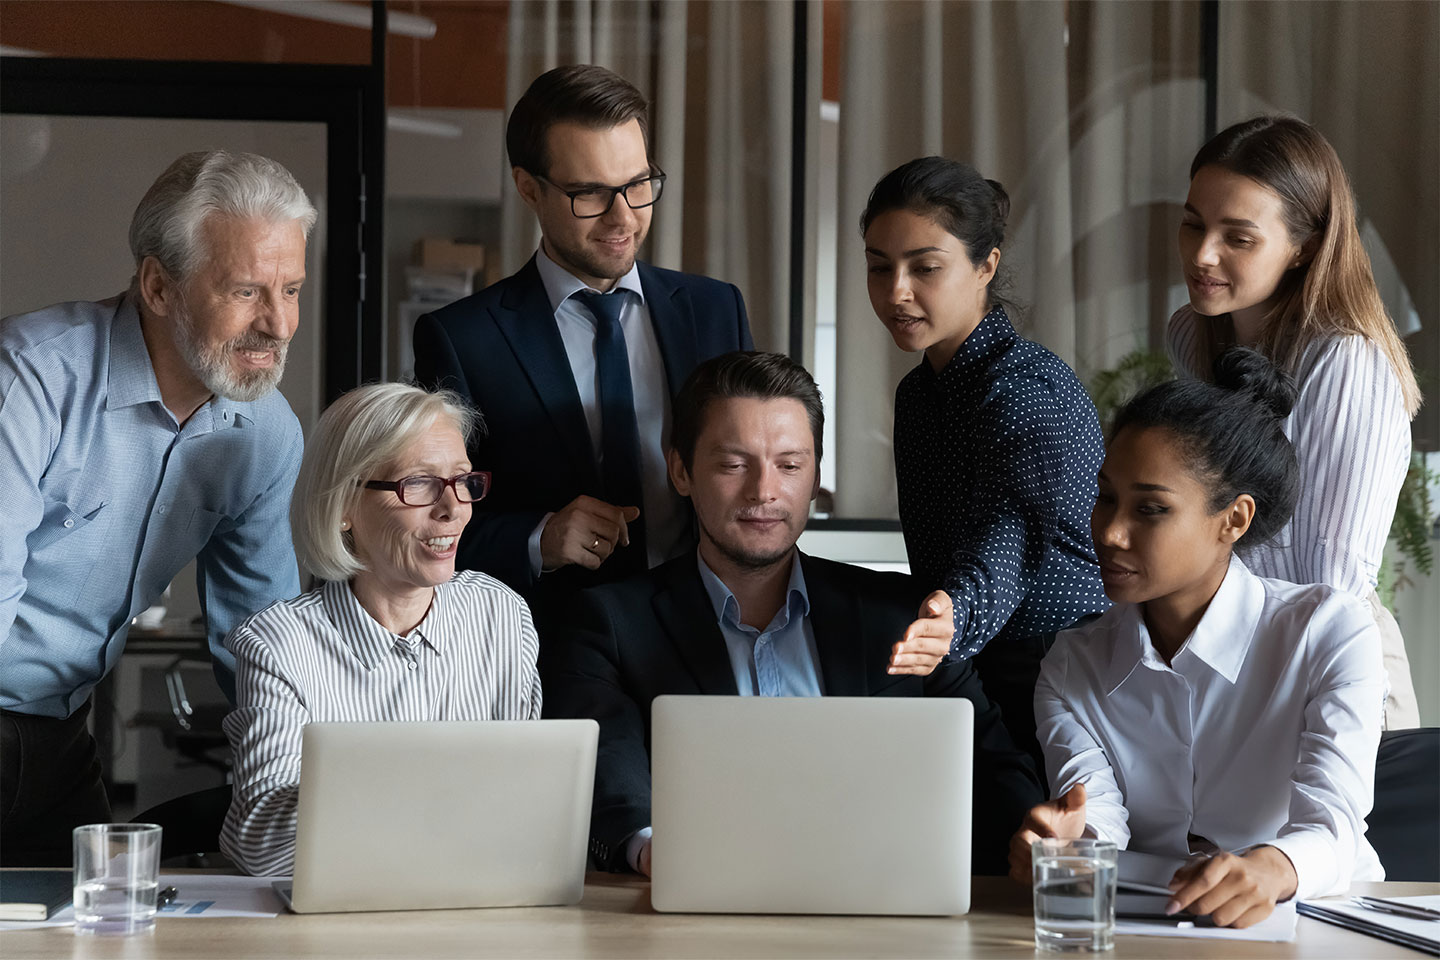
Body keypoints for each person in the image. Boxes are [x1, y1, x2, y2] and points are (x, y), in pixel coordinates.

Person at [541, 351, 1044, 878]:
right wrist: (651, 848)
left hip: (881, 905)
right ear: (681, 471)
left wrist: (1031, 831)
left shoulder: (900, 614)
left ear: (815, 475)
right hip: (699, 910)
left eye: (789, 465)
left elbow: (990, 761)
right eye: (734, 464)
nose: (764, 491)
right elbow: (608, 769)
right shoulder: (610, 623)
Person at [0, 150, 315, 866]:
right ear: (158, 285)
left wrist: (290, 809)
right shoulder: (30, 380)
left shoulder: (264, 434)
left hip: (61, 737)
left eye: (291, 289)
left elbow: (259, 648)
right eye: (246, 291)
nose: (278, 324)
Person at [1011, 347, 1386, 928]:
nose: (1109, 532)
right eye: (1106, 496)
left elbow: (1332, 827)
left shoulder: (1328, 633)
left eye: (1151, 509)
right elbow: (1099, 817)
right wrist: (1067, 844)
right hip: (1150, 924)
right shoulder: (1072, 664)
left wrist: (1268, 869)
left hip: (1323, 923)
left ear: (1233, 519)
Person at [413, 64, 753, 604]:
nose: (623, 218)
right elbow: (430, 518)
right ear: (529, 188)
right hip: (552, 641)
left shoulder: (715, 309)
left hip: (706, 627)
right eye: (589, 193)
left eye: (638, 185)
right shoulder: (461, 338)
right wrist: (537, 538)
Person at [220, 383, 542, 876]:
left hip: (479, 906)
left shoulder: (500, 614)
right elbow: (260, 848)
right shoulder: (278, 645)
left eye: (462, 480)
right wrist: (430, 783)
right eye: (419, 484)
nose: (453, 509)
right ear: (345, 506)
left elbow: (529, 813)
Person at [1167, 115, 1422, 729]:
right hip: (1230, 664)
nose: (1203, 254)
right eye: (1194, 224)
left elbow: (1330, 586)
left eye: (1239, 237)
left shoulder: (1345, 360)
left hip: (1328, 671)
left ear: (1303, 246)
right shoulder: (1192, 335)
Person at [860, 156, 1109, 766]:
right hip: (963, 656)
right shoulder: (917, 395)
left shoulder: (1028, 387)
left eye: (925, 268)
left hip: (1058, 671)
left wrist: (954, 609)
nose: (897, 292)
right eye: (879, 267)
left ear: (986, 266)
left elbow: (1014, 533)